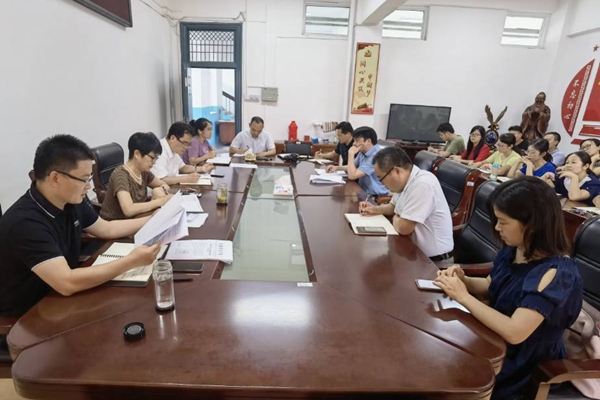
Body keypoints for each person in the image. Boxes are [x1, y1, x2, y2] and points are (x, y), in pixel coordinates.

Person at [434, 177, 582, 400]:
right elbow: (490, 285)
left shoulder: (557, 273)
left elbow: (515, 332)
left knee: (450, 379)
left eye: (503, 222)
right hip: (493, 338)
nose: (496, 227)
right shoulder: (517, 249)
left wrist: (463, 296)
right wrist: (463, 281)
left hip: (524, 362)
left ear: (533, 224)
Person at [0, 134, 161, 318]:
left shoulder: (72, 200)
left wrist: (152, 219)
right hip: (29, 311)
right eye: (84, 179)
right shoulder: (25, 222)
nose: (89, 186)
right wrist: (132, 261)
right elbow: (66, 283)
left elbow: (106, 229)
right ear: (55, 178)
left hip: (62, 295)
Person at [358, 147, 453, 259]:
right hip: (410, 250)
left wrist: (396, 216)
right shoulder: (405, 181)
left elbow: (404, 228)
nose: (382, 183)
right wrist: (374, 209)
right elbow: (393, 207)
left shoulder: (422, 184)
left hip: (432, 260)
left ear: (397, 171)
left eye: (381, 178)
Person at [100, 132, 173, 221]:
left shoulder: (144, 172)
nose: (154, 162)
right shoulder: (120, 175)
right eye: (152, 158)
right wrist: (160, 201)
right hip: (116, 224)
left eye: (156, 159)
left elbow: (165, 185)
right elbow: (128, 210)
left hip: (136, 219)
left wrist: (159, 189)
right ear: (137, 154)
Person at [326, 126, 389, 198]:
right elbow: (352, 167)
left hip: (375, 196)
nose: (354, 143)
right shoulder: (363, 151)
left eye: (357, 140)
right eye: (354, 140)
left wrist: (351, 154)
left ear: (368, 141)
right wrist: (337, 168)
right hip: (362, 191)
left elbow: (352, 176)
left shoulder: (376, 156)